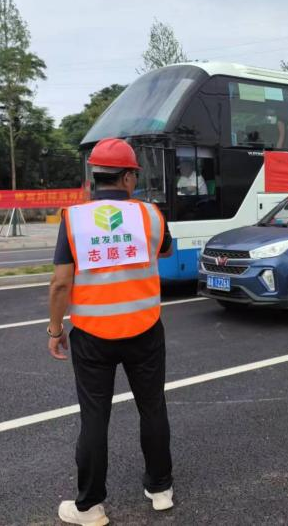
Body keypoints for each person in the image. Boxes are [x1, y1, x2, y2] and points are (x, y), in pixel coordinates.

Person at [48, 137, 175, 525]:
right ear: (126, 177)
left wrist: (56, 329)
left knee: (94, 418)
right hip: (145, 330)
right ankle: (160, 489)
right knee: (152, 408)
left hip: (92, 336)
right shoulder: (151, 215)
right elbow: (165, 251)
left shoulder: (74, 219)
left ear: (95, 175)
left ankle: (89, 507)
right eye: (134, 175)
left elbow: (60, 283)